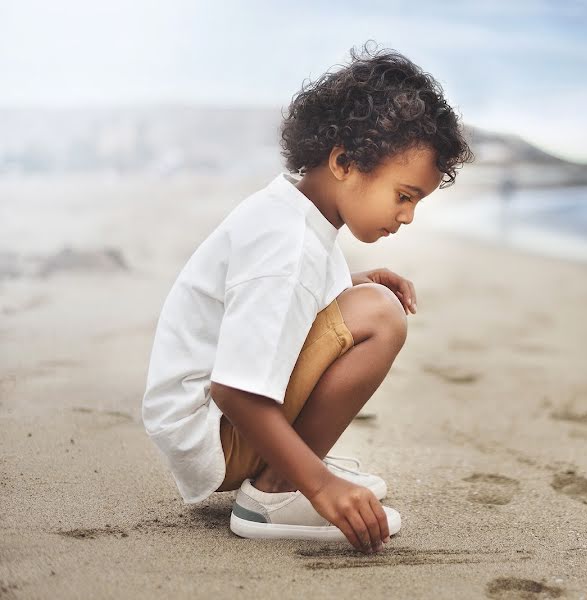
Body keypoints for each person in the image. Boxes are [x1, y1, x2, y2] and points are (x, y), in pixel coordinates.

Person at [141, 42, 473, 554]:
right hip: (217, 432)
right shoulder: (288, 245)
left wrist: (349, 281)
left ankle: (288, 463)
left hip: (202, 424)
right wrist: (322, 487)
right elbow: (236, 390)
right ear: (344, 162)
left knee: (367, 299)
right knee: (381, 317)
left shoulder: (293, 216)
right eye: (403, 195)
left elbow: (281, 302)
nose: (407, 217)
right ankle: (275, 491)